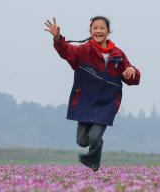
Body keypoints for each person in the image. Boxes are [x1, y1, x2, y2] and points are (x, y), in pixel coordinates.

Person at [44, 16, 140, 171]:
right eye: (95, 28)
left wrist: (133, 70)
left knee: (94, 136)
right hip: (85, 101)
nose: (98, 31)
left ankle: (93, 161)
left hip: (106, 104)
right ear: (90, 31)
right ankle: (97, 148)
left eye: (102, 28)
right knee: (82, 141)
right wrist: (57, 38)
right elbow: (67, 51)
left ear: (108, 31)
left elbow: (131, 78)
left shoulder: (118, 54)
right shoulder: (84, 50)